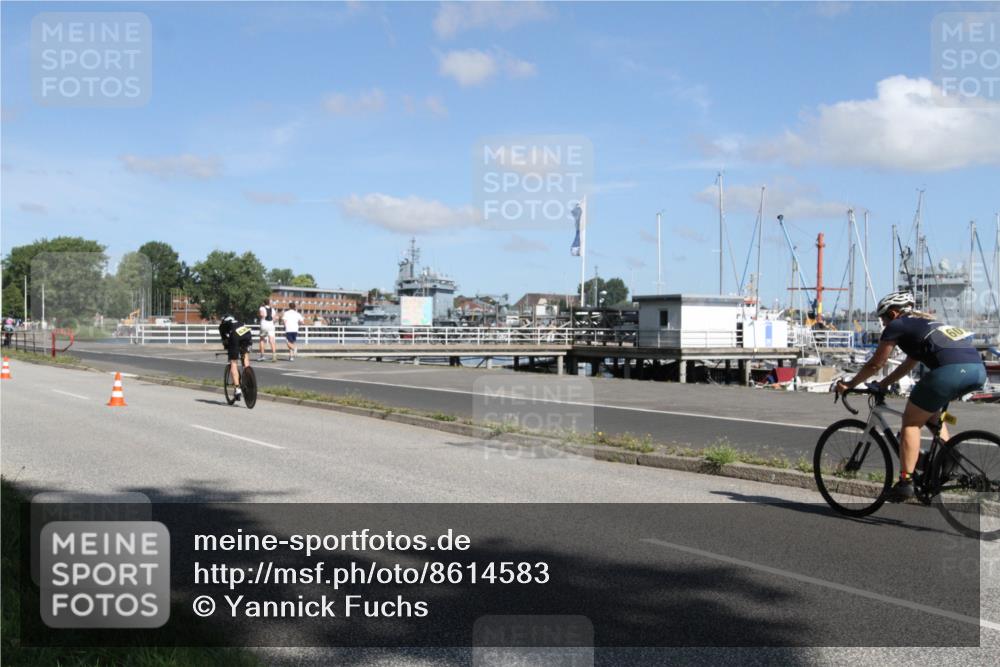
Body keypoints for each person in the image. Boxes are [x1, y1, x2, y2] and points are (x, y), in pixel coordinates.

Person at [836, 291, 987, 501]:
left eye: (884, 318)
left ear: (894, 313)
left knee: (910, 422)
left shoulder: (897, 326)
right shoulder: (925, 325)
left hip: (950, 371)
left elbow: (875, 363)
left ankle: (905, 482)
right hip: (977, 371)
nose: (883, 324)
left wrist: (850, 384)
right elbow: (909, 364)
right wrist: (882, 384)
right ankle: (946, 461)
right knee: (930, 413)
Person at [219, 315, 253, 401]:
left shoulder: (222, 326)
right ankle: (248, 376)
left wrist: (229, 350)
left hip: (235, 336)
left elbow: (225, 341)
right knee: (245, 355)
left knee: (233, 362)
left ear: (223, 320)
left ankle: (237, 389)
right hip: (247, 334)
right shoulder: (239, 322)